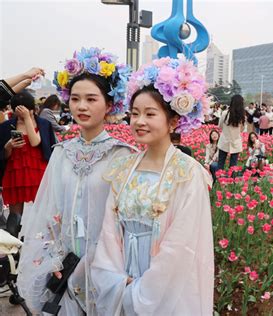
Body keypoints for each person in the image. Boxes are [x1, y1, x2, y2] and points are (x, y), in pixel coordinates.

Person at [91, 57, 214, 315]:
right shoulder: (123, 169)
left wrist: (144, 290)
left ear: (173, 122)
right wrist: (117, 282)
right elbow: (109, 232)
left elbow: (181, 244)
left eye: (150, 114)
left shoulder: (188, 173)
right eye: (134, 114)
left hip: (167, 285)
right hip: (121, 277)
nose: (139, 121)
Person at [17, 47, 134, 315]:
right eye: (76, 98)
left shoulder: (122, 156)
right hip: (64, 268)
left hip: (107, 269)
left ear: (109, 104)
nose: (82, 106)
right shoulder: (62, 153)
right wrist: (50, 259)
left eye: (91, 99)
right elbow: (49, 210)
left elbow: (126, 221)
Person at [0, 91, 56, 237]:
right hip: (15, 170)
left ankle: (40, 243)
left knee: (44, 210)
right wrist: (8, 147)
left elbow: (35, 142)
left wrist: (27, 118)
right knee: (15, 214)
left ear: (32, 109)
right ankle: (13, 247)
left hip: (38, 169)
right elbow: (4, 156)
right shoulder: (6, 126)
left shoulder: (43, 123)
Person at [217, 95, 245, 170]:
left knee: (221, 163)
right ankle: (232, 180)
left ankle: (218, 178)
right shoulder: (242, 116)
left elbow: (220, 126)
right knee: (233, 165)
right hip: (236, 141)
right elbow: (242, 130)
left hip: (224, 140)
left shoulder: (225, 113)